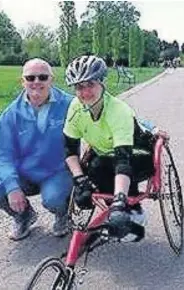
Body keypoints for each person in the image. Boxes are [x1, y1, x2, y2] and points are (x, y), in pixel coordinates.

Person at [63, 55, 158, 242]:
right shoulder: (75, 107)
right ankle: (113, 211)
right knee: (95, 168)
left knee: (107, 166)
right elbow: (69, 149)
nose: (85, 92)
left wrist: (120, 201)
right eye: (79, 87)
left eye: (90, 84)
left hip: (137, 154)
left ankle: (133, 211)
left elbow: (124, 161)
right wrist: (80, 180)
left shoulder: (118, 110)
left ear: (101, 82)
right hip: (105, 154)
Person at [0, 58, 73, 241]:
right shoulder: (11, 114)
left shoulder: (70, 105)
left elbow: (99, 120)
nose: (36, 82)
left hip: (57, 171)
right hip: (25, 173)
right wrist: (12, 187)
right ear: (22, 81)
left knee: (53, 199)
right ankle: (24, 216)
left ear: (52, 79)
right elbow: (3, 155)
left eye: (42, 77)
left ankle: (63, 214)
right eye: (30, 77)